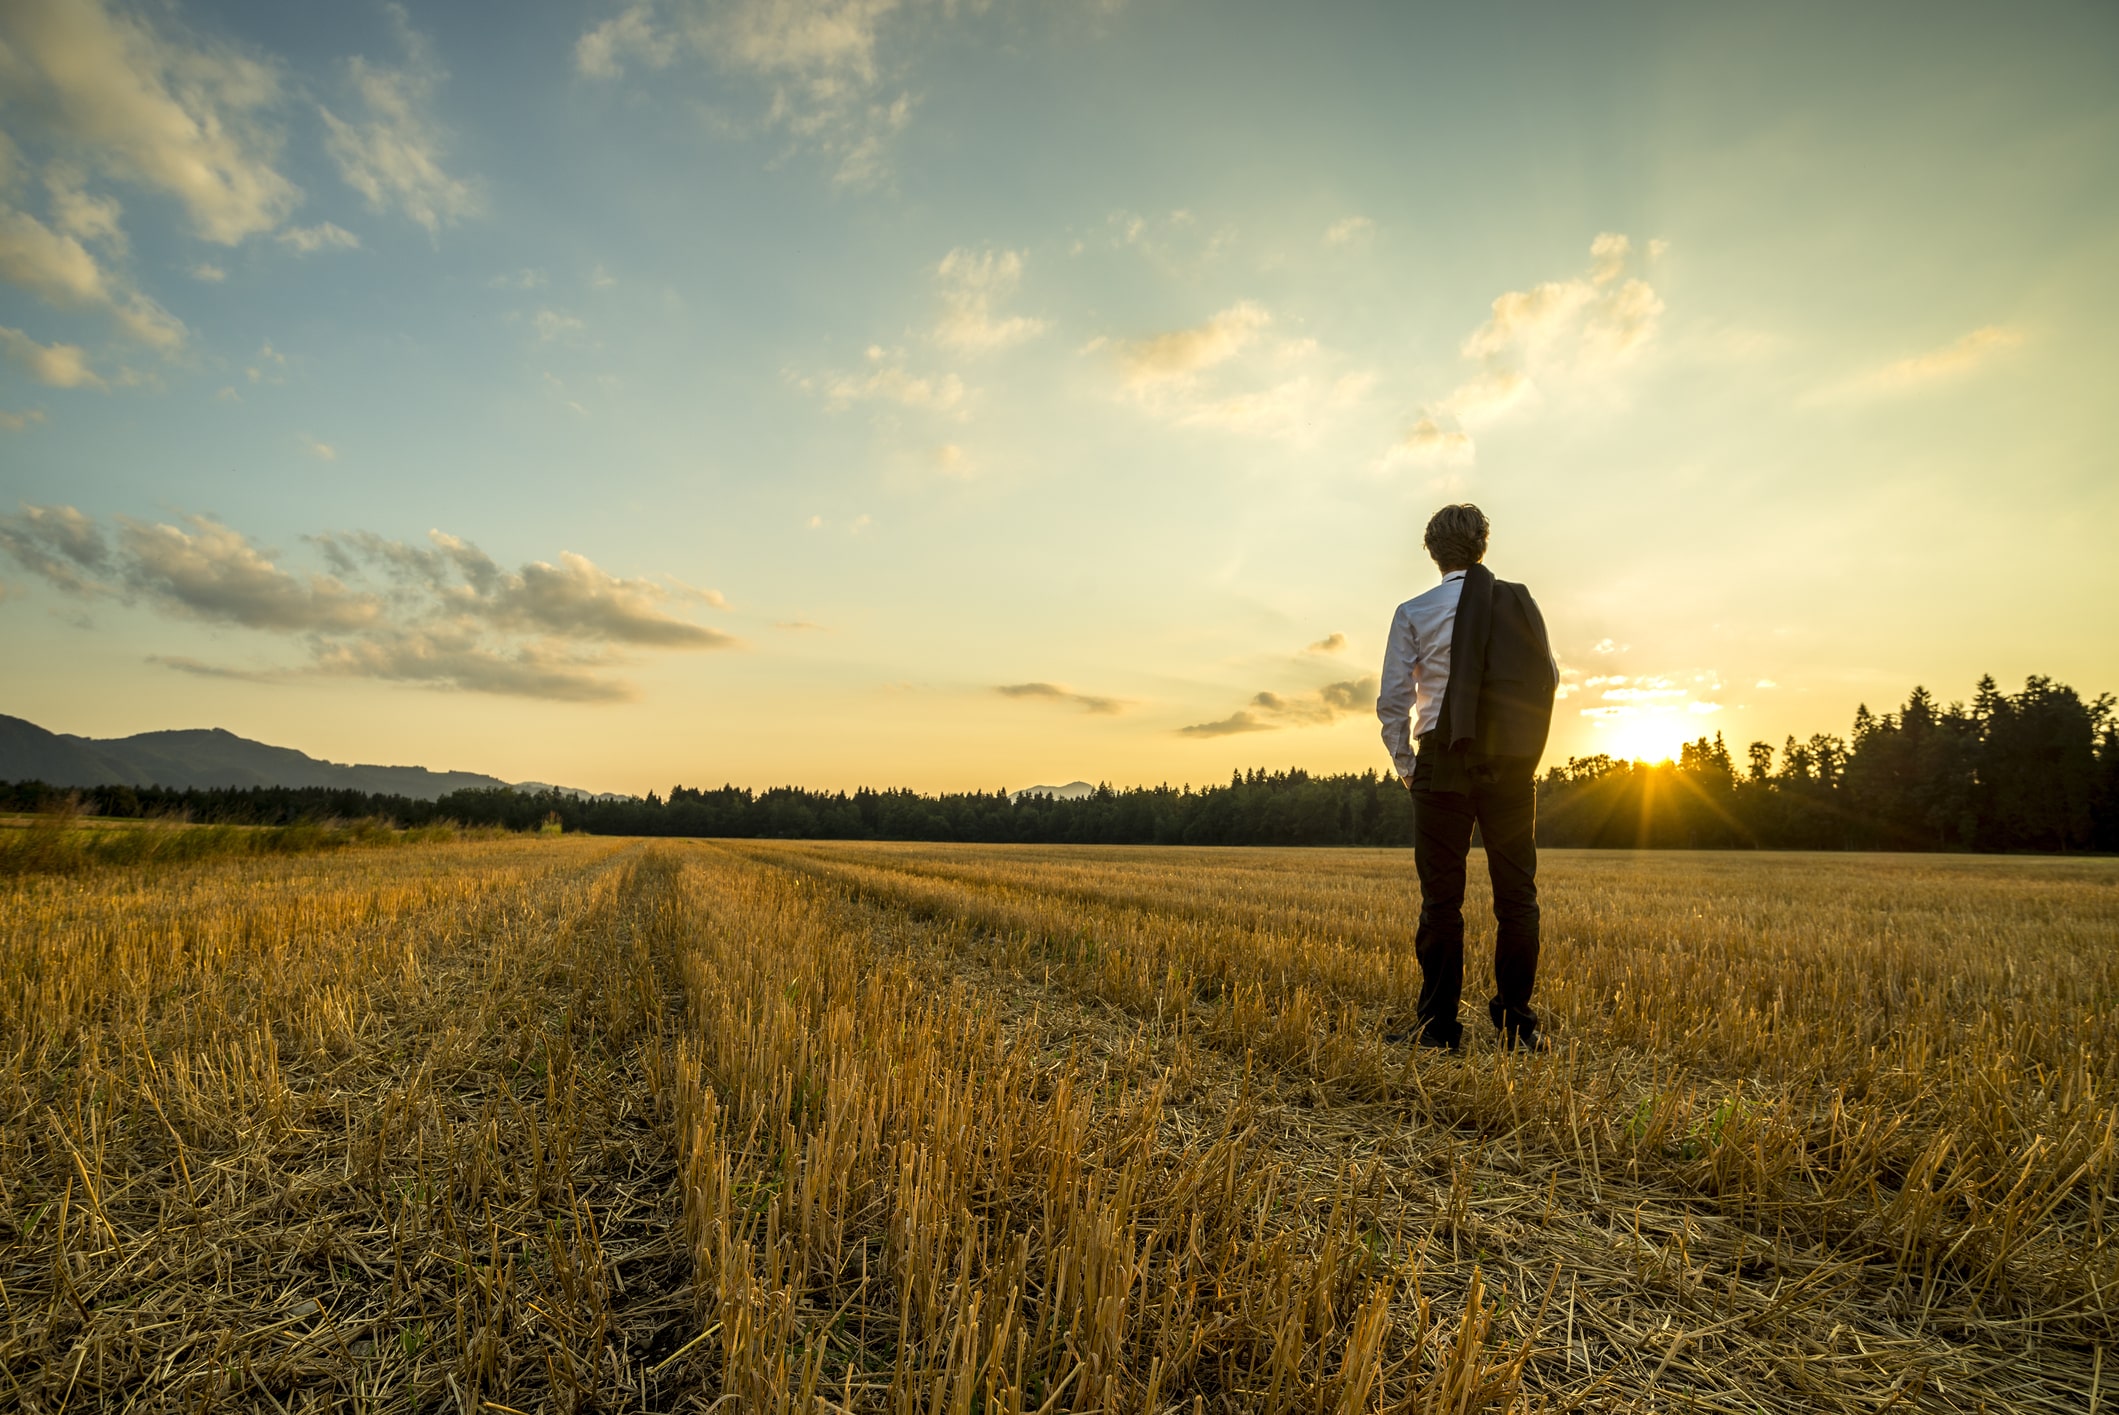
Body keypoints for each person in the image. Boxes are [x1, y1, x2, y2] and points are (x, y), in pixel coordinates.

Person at [1375, 504, 1559, 1052]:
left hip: (1440, 761)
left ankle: (1436, 1028)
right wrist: (1524, 753)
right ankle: (1516, 1026)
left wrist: (1409, 766)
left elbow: (1393, 702)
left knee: (1441, 901)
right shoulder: (1518, 603)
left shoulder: (1414, 611)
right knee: (1517, 896)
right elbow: (1546, 678)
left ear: (1432, 552)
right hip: (1509, 759)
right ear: (1482, 548)